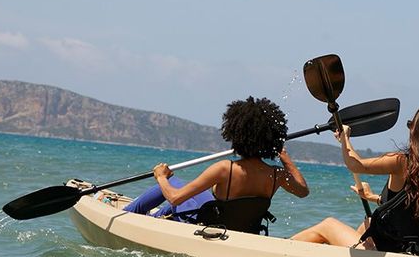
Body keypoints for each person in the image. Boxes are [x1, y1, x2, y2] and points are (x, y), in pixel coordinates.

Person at [291, 104, 419, 257]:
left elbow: (356, 165)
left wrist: (345, 139)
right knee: (367, 223)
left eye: (410, 125)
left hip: (394, 254)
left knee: (328, 225)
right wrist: (373, 197)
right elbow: (413, 209)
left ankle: (280, 250)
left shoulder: (401, 162)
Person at [130, 96, 309, 235]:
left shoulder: (225, 169)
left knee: (172, 181)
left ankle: (129, 214)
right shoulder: (276, 175)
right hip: (241, 228)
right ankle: (156, 217)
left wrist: (161, 176)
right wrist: (285, 157)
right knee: (195, 194)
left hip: (212, 226)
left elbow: (175, 198)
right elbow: (303, 191)